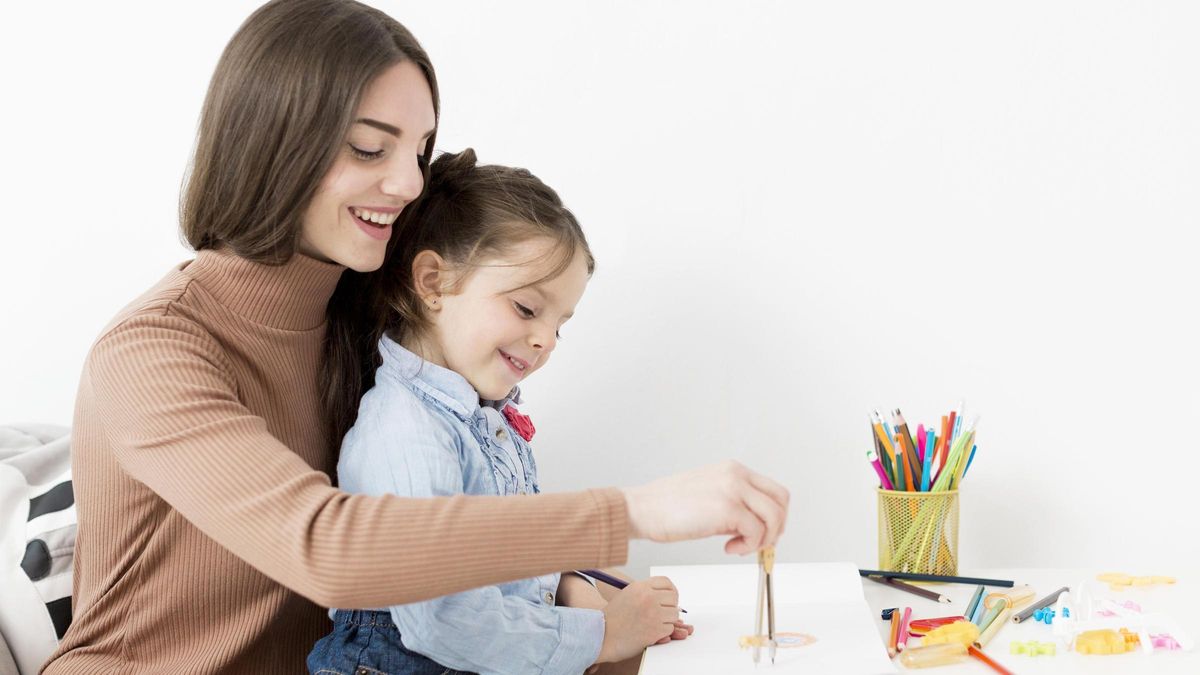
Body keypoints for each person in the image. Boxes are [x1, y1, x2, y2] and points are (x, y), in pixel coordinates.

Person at [42, 1, 789, 672]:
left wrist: (568, 588)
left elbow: (427, 525)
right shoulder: (152, 353)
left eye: (419, 152)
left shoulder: (368, 326)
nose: (406, 184)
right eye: (371, 149)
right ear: (273, 145)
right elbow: (331, 546)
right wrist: (630, 513)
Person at [308, 149, 694, 675]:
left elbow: (506, 560)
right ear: (433, 284)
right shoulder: (405, 433)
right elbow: (441, 618)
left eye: (559, 325)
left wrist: (584, 592)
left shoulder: (482, 418)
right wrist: (603, 633)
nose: (544, 341)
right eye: (527, 309)